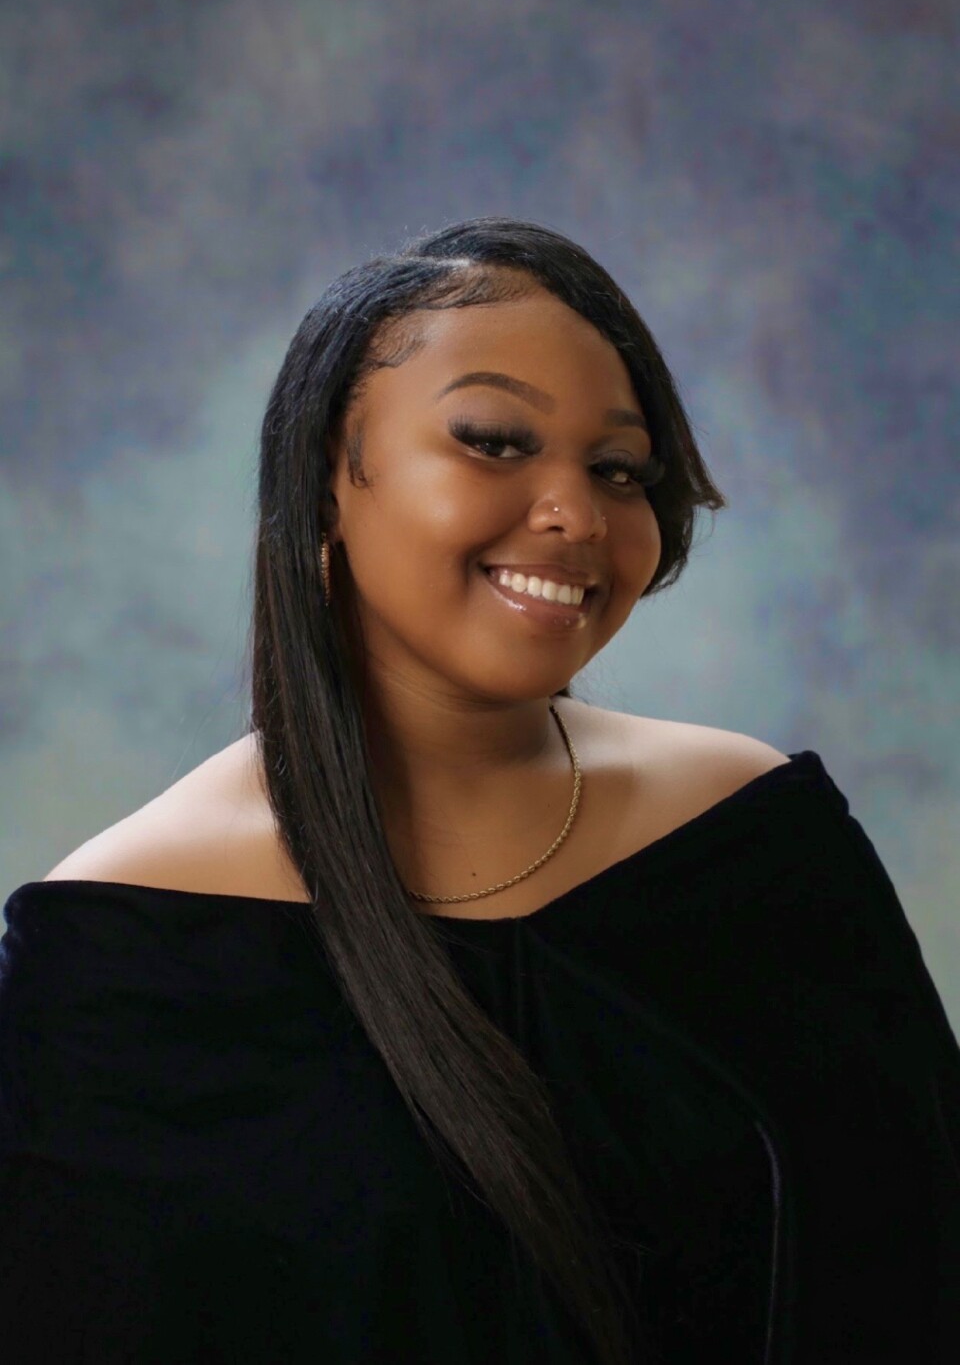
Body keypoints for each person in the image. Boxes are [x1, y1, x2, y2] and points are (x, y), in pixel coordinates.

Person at [1, 217, 958, 1365]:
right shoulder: (123, 944)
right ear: (321, 488)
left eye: (618, 470)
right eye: (497, 442)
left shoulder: (756, 837)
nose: (576, 514)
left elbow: (919, 1274)